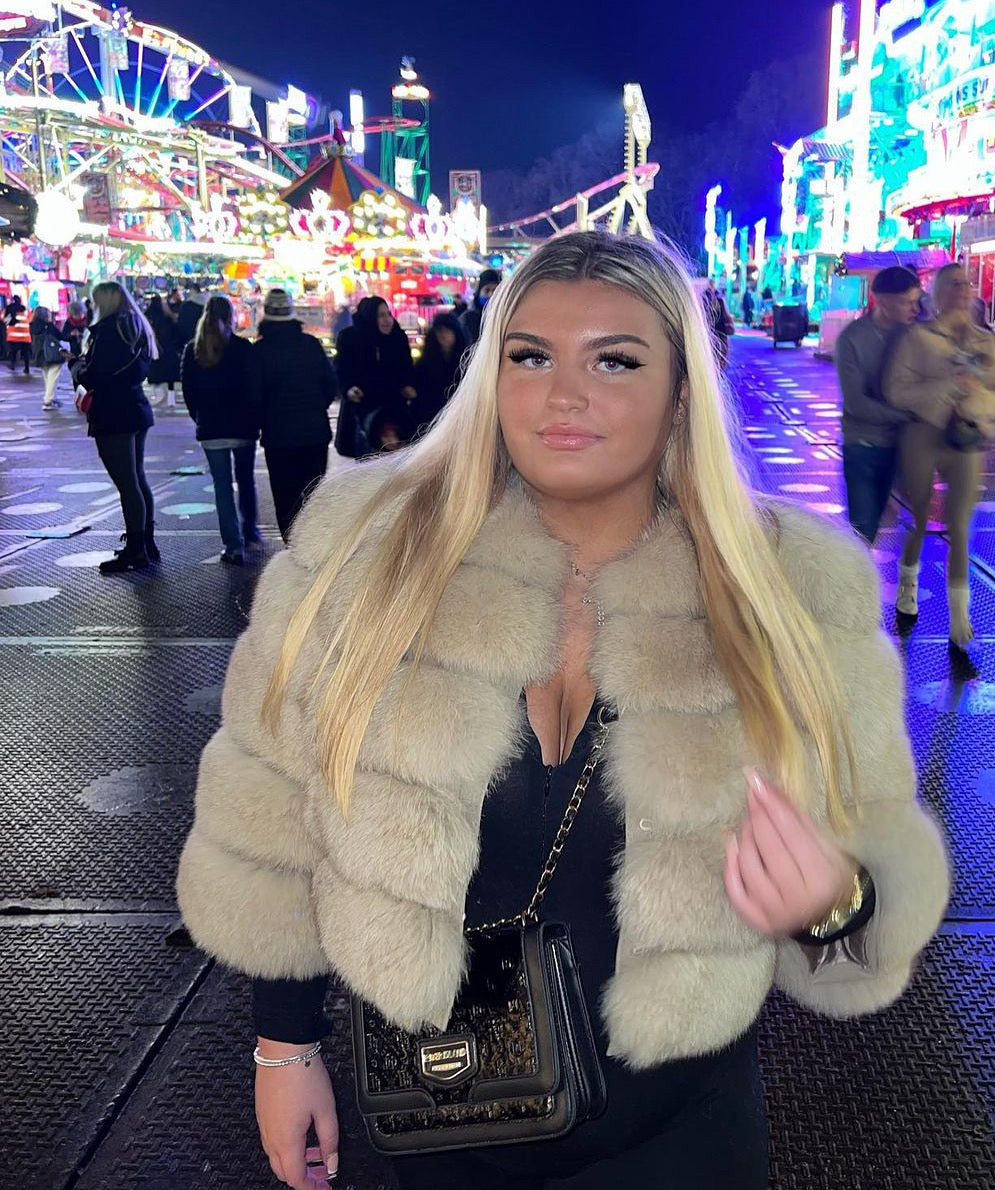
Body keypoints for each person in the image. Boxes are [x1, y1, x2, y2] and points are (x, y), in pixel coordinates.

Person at [176, 231, 949, 1190]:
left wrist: (830, 902)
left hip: (681, 1128)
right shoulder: (364, 548)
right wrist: (284, 1047)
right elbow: (270, 815)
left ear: (682, 393)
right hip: (442, 1108)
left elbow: (873, 865)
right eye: (531, 357)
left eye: (614, 361)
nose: (564, 395)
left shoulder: (793, 587)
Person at [885, 263, 995, 648]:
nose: (962, 290)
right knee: (920, 518)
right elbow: (896, 389)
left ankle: (960, 616)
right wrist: (944, 389)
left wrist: (978, 400)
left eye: (967, 284)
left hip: (966, 439)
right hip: (923, 435)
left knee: (960, 526)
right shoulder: (918, 337)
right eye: (954, 284)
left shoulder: (985, 341)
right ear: (938, 293)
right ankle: (908, 583)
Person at [71, 281, 160, 574]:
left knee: (127, 483)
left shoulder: (111, 330)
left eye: (96, 301)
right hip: (135, 406)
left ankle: (136, 550)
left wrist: (76, 367)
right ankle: (145, 542)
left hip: (113, 413)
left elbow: (96, 374)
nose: (94, 307)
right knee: (137, 479)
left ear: (106, 301)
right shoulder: (135, 326)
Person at [835, 266, 921, 544]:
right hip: (863, 445)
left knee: (889, 521)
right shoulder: (852, 339)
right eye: (907, 302)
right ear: (882, 301)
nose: (915, 309)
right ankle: (855, 572)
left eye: (917, 301)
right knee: (863, 528)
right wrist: (905, 415)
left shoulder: (914, 336)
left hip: (901, 447)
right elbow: (856, 403)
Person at [181, 296, 261, 565]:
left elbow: (189, 393)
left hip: (211, 429)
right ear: (231, 318)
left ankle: (233, 545)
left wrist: (200, 418)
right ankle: (250, 530)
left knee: (222, 486)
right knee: (246, 480)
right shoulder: (243, 348)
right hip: (243, 428)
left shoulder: (194, 350)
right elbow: (253, 388)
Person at [253, 289, 337, 543]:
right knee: (313, 495)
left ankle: (293, 547)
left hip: (278, 436)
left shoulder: (259, 351)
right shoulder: (310, 345)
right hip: (314, 432)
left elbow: (253, 395)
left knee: (285, 498)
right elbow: (330, 385)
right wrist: (315, 408)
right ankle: (313, 545)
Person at [334, 296, 416, 454]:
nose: (387, 320)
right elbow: (342, 369)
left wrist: (407, 385)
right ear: (370, 317)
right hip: (362, 407)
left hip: (393, 410)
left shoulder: (397, 337)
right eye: (381, 315)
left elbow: (406, 368)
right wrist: (349, 389)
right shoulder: (350, 338)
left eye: (388, 314)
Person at [410, 311, 467, 438]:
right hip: (432, 419)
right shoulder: (425, 363)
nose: (443, 335)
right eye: (439, 331)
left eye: (447, 330)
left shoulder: (467, 361)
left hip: (460, 418)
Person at [145, 294, 182, 408]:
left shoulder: (148, 316)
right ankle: (171, 399)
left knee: (157, 376)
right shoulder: (167, 316)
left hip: (156, 350)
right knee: (169, 377)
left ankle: (159, 396)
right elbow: (176, 331)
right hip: (168, 349)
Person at [29, 305, 69, 410]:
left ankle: (50, 397)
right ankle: (48, 401)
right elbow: (61, 336)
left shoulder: (32, 326)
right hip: (52, 354)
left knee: (47, 377)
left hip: (39, 355)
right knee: (53, 377)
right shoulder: (49, 326)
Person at [459, 267, 501, 346]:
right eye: (487, 290)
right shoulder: (468, 319)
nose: (491, 295)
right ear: (479, 292)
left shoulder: (505, 317)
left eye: (495, 291)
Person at [701, 279, 733, 370]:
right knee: (716, 346)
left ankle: (719, 364)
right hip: (713, 325)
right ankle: (717, 364)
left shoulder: (717, 296)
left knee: (720, 346)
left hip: (718, 325)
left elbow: (725, 311)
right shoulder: (707, 295)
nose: (712, 285)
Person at [6, 296, 31, 374]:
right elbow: (30, 319)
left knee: (13, 352)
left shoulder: (9, 310)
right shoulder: (25, 310)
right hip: (25, 337)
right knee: (26, 353)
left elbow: (5, 321)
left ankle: (12, 365)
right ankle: (27, 368)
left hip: (13, 336)